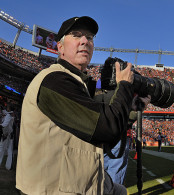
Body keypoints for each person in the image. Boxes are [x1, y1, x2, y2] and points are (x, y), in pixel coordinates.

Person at [16, 16, 135, 195]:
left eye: (90, 37)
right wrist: (124, 87)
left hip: (76, 185)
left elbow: (106, 121)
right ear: (60, 47)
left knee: (120, 191)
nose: (85, 41)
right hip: (50, 190)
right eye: (76, 35)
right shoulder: (55, 80)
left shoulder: (76, 83)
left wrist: (132, 106)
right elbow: (107, 128)